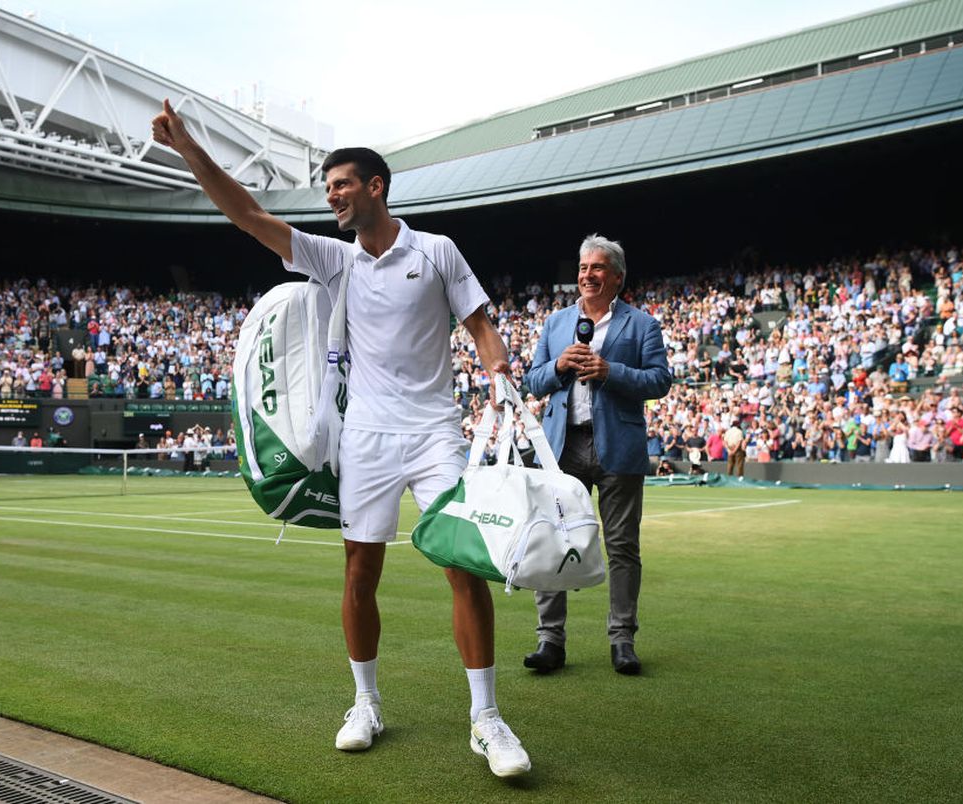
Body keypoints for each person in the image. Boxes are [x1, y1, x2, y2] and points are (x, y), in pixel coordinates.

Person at [152, 102, 530, 777]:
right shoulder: (334, 259)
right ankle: (366, 704)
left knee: (463, 566)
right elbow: (249, 215)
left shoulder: (437, 251)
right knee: (360, 572)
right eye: (327, 188)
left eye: (341, 185)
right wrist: (188, 149)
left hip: (435, 432)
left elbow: (479, 326)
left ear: (375, 187)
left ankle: (487, 718)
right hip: (366, 437)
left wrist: (499, 373)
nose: (331, 196)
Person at [521, 234, 672, 677]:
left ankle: (622, 640)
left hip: (618, 446)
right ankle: (550, 640)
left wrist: (610, 371)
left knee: (622, 546)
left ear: (617, 277)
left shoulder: (642, 325)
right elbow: (533, 381)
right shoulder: (556, 323)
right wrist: (558, 367)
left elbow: (660, 381)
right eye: (584, 268)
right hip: (562, 447)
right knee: (551, 539)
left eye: (598, 267)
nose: (588, 275)